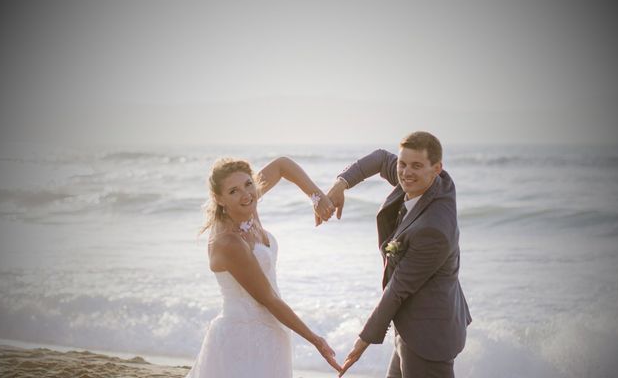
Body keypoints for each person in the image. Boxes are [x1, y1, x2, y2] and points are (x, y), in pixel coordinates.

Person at [325, 131, 472, 378]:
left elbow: (399, 287)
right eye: (403, 164)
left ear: (437, 168)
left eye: (416, 166)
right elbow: (381, 159)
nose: (405, 172)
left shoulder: (434, 230)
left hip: (429, 337)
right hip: (411, 327)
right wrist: (341, 184)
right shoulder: (426, 180)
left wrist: (364, 340)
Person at [186, 156, 341, 378]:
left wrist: (316, 197)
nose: (246, 194)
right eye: (233, 191)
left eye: (249, 184)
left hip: (272, 331)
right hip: (243, 340)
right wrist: (316, 340)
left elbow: (282, 165)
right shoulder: (229, 242)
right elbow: (268, 299)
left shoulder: (247, 207)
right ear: (219, 199)